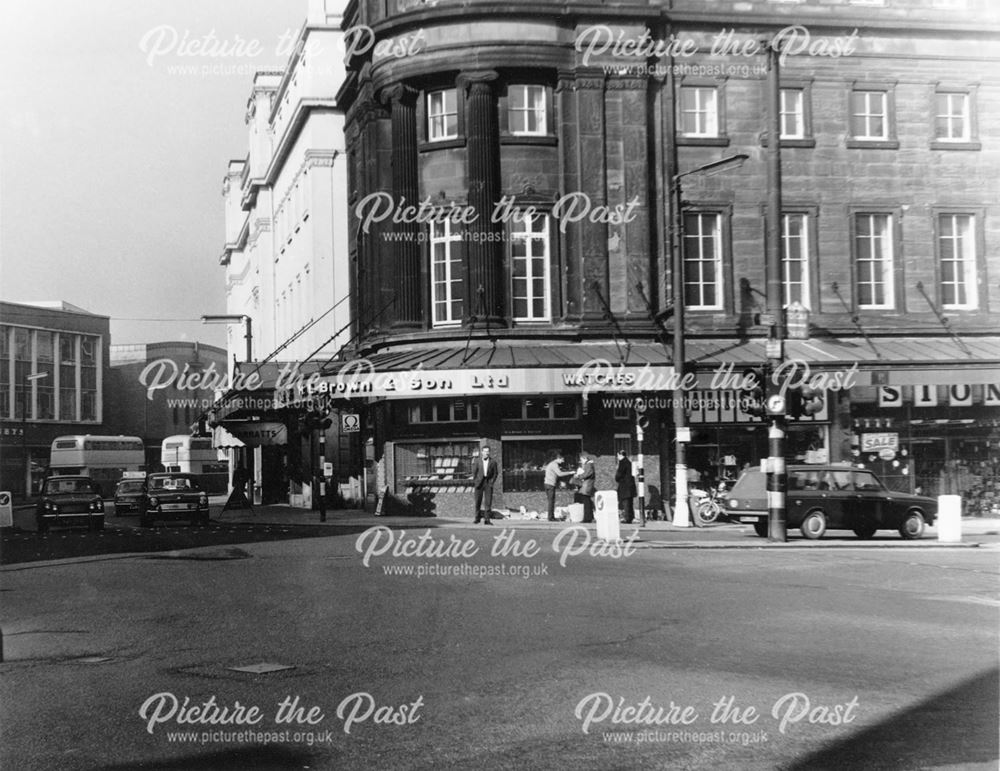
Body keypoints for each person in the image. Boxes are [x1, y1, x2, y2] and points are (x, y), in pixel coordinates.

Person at [543, 451, 575, 522]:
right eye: (562, 460)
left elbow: (554, 474)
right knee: (551, 501)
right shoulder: (554, 465)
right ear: (558, 458)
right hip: (550, 484)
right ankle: (551, 517)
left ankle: (550, 516)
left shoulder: (551, 464)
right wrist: (570, 472)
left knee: (550, 501)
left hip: (547, 483)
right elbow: (559, 474)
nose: (563, 461)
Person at [472, 445, 498, 525]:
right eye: (485, 451)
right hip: (479, 483)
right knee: (478, 501)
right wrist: (476, 481)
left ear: (489, 452)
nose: (486, 453)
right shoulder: (477, 461)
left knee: (488, 502)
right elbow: (474, 472)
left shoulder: (493, 462)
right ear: (482, 452)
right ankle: (477, 518)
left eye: (487, 451)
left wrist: (491, 482)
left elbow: (495, 473)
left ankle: (487, 520)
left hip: (488, 483)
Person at [615, 449, 637, 524]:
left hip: (624, 486)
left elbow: (619, 474)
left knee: (625, 502)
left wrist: (617, 478)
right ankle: (631, 517)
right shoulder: (628, 462)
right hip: (630, 486)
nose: (617, 457)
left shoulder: (622, 462)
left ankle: (627, 518)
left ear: (620, 455)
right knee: (630, 502)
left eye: (617, 455)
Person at [574, 454, 596, 524]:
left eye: (581, 460)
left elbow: (587, 474)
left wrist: (579, 476)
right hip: (587, 485)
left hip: (587, 485)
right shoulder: (589, 465)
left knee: (586, 501)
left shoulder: (589, 465)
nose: (581, 461)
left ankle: (587, 518)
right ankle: (589, 517)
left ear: (585, 458)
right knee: (587, 501)